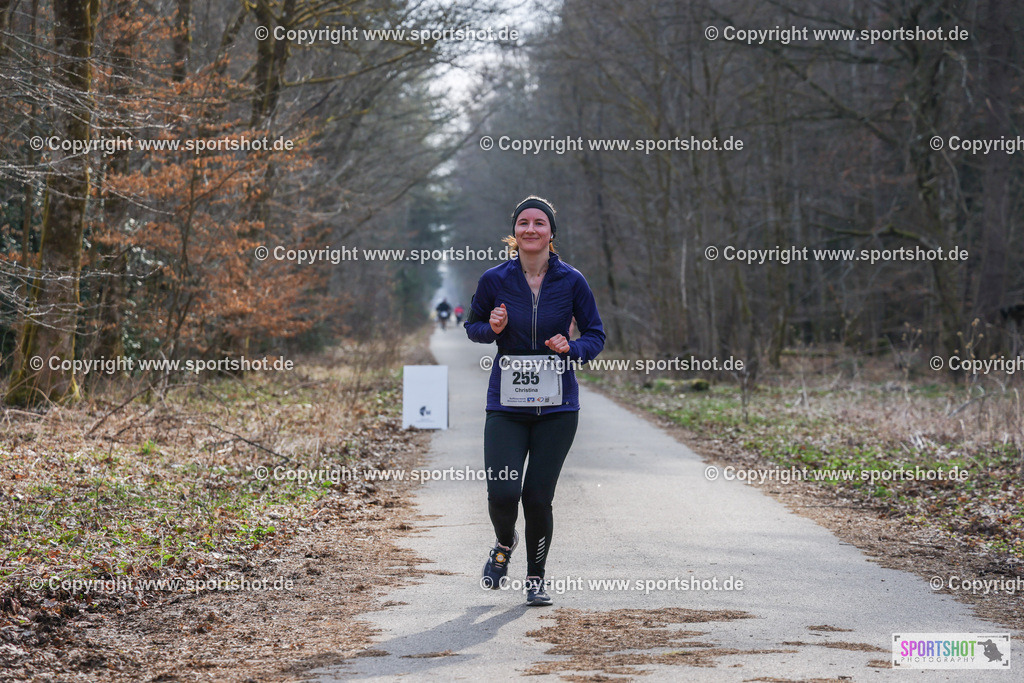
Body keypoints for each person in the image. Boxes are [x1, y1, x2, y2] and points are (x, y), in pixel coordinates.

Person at [464, 195, 605, 605]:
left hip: (557, 408)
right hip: (506, 405)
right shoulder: (495, 279)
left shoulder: (572, 281)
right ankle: (504, 544)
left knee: (538, 497)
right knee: (503, 492)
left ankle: (536, 577)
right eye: (523, 222)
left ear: (551, 233)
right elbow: (473, 326)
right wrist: (490, 327)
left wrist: (572, 347)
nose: (531, 229)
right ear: (515, 232)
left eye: (539, 223)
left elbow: (595, 334)